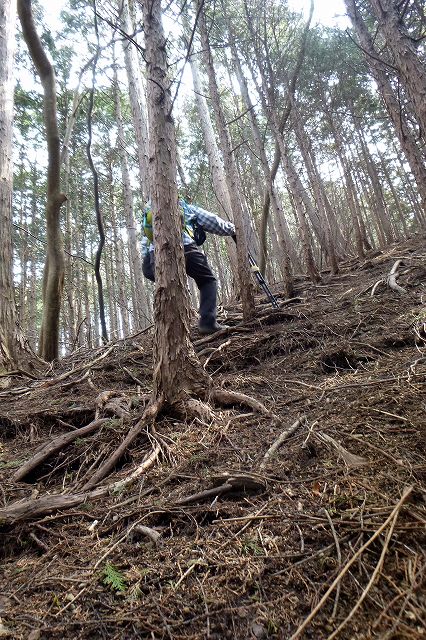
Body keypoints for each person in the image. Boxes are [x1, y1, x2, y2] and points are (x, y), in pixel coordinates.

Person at [142, 198, 236, 334]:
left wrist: (147, 261)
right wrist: (232, 229)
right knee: (207, 281)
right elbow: (212, 221)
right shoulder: (182, 205)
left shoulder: (149, 210)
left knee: (168, 287)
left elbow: (145, 240)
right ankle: (207, 323)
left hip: (156, 256)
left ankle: (171, 331)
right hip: (185, 248)